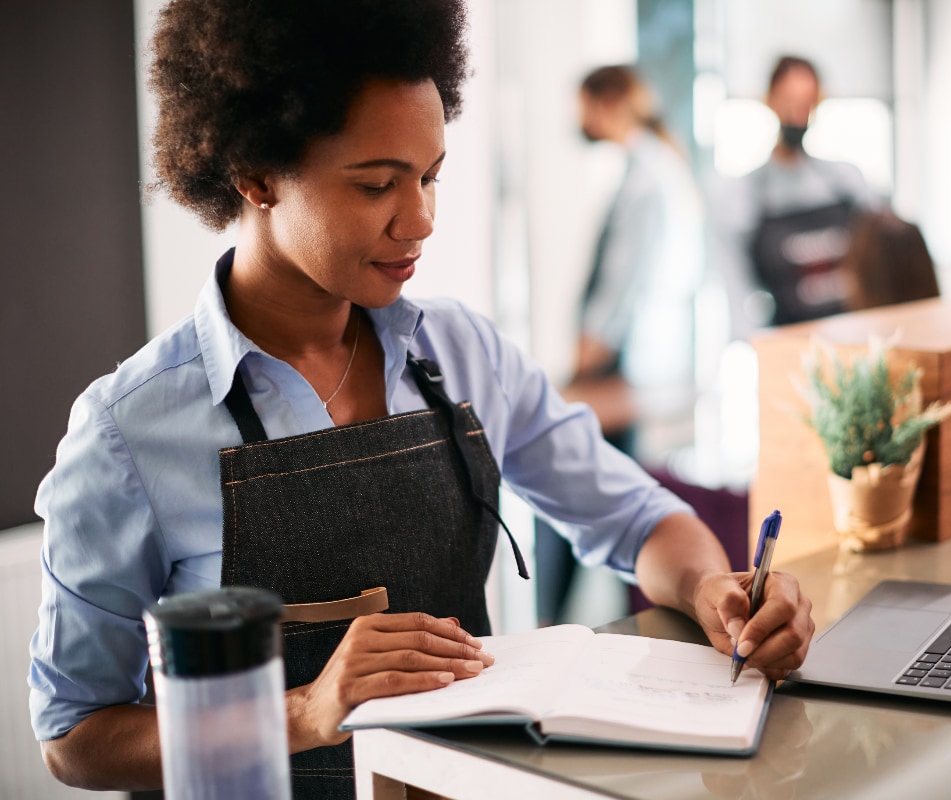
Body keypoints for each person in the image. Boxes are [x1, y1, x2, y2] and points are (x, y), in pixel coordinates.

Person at [27, 2, 814, 797]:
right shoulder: (127, 434)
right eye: (377, 185)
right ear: (257, 174)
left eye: (431, 175)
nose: (422, 219)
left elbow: (638, 518)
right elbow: (76, 735)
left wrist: (714, 591)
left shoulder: (463, 354)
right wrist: (304, 711)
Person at [536, 64, 705, 625]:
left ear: (607, 104)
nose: (576, 119)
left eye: (582, 104)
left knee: (563, 490)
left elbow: (618, 291)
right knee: (616, 500)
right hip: (645, 370)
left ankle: (548, 628)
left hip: (624, 372)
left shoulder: (643, 177)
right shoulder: (662, 164)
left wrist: (573, 371)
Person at [713, 55, 878, 336]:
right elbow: (736, 286)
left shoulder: (845, 180)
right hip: (789, 344)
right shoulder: (746, 194)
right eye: (790, 101)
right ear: (770, 100)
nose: (798, 114)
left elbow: (882, 253)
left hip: (853, 334)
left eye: (807, 103)